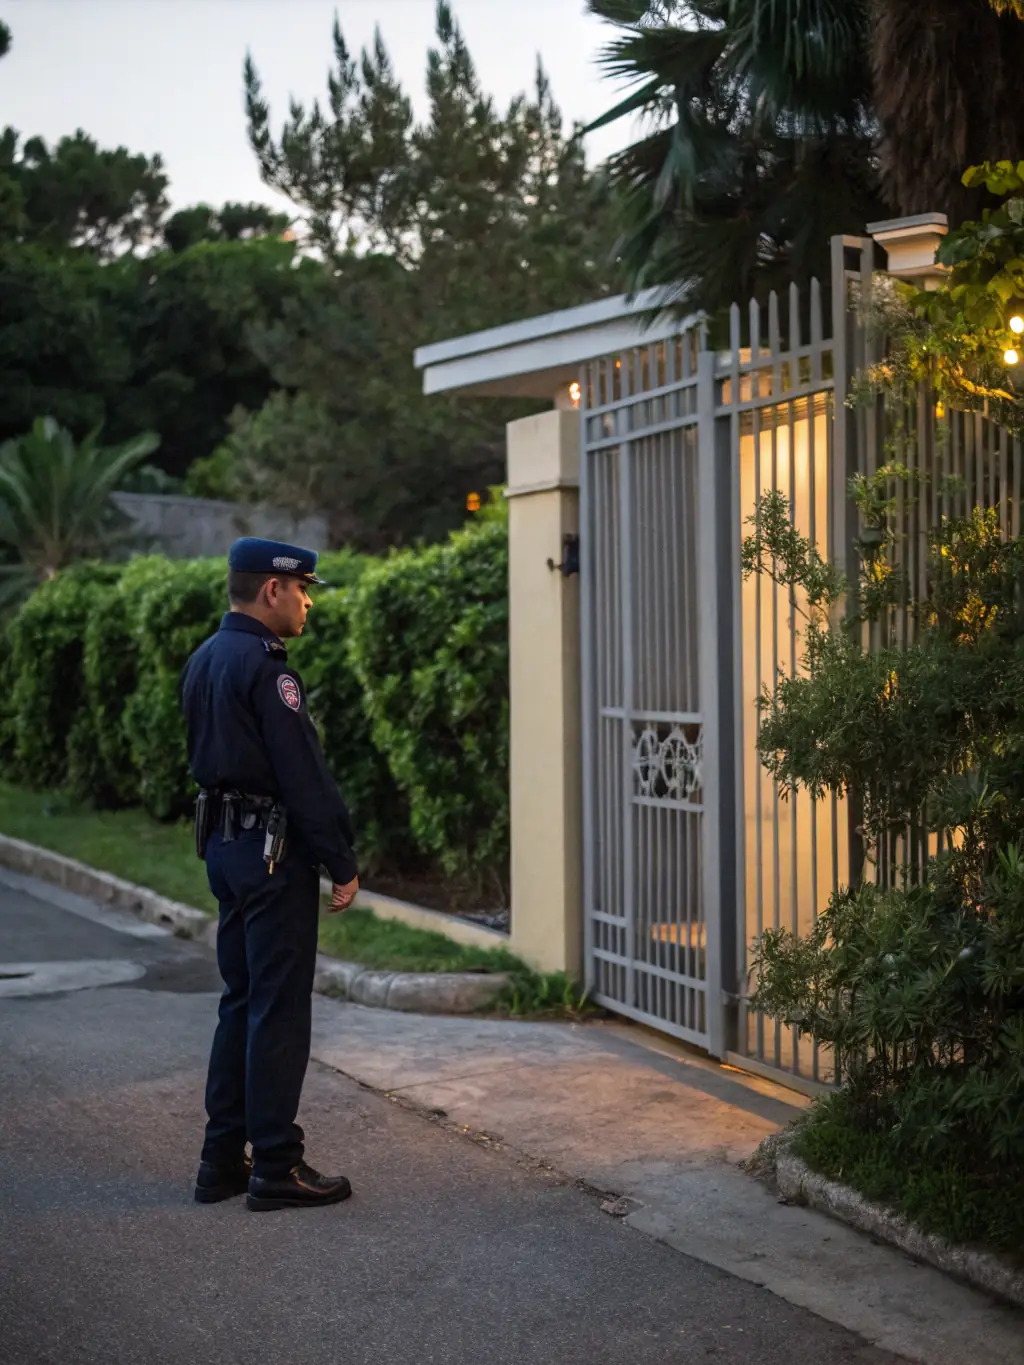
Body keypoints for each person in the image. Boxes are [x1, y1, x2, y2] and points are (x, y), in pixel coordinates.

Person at [180, 537, 360, 1213]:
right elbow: (302, 775)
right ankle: (276, 1165)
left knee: (240, 1000)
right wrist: (340, 858)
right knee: (277, 1008)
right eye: (303, 590)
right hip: (272, 855)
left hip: (225, 850)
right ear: (272, 591)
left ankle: (220, 1159)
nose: (308, 601)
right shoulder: (268, 669)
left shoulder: (205, 658)